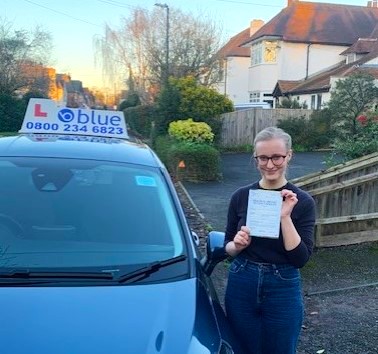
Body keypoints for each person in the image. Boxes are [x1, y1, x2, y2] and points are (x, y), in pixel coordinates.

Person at [224, 126, 316, 354]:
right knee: (241, 347)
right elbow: (227, 248)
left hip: (282, 283)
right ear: (255, 158)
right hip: (242, 279)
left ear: (289, 156)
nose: (270, 164)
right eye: (263, 157)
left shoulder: (302, 202)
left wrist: (285, 217)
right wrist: (236, 245)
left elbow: (300, 259)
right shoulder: (241, 196)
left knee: (281, 349)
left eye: (277, 157)